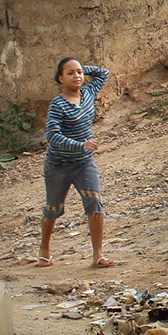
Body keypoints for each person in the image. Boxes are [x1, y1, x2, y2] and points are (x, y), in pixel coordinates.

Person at [38, 58, 118, 268]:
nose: (77, 76)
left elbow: (104, 72)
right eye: (70, 73)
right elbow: (52, 136)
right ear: (60, 79)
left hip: (84, 163)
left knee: (95, 202)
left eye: (80, 72)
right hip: (59, 165)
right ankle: (44, 249)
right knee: (53, 208)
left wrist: (81, 65)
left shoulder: (88, 93)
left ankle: (98, 255)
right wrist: (80, 145)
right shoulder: (58, 104)